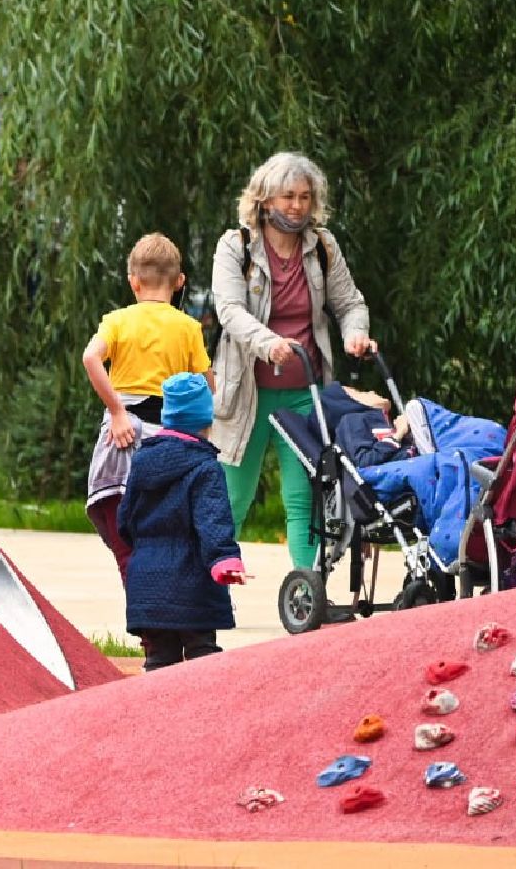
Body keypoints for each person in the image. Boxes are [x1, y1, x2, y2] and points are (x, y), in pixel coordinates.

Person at [209, 151, 375, 570]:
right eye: (287, 197)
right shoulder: (237, 246)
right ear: (265, 199)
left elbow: (350, 302)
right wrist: (268, 343)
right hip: (246, 393)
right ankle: (208, 592)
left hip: (305, 394)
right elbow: (229, 310)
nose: (297, 206)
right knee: (233, 498)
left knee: (304, 497)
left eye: (304, 196)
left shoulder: (322, 246)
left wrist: (355, 332)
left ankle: (308, 590)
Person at [81, 233, 213, 580]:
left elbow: (90, 357)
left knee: (122, 533)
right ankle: (167, 614)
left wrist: (117, 411)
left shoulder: (118, 321)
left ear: (133, 282)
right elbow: (206, 386)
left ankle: (145, 619)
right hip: (169, 438)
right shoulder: (188, 328)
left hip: (123, 435)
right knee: (166, 532)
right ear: (180, 282)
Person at [118, 373, 250, 671]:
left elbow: (125, 521)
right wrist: (224, 559)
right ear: (206, 421)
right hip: (193, 586)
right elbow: (212, 519)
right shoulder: (205, 466)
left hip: (147, 587)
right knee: (203, 660)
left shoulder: (141, 462)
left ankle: (156, 716)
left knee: (159, 663)